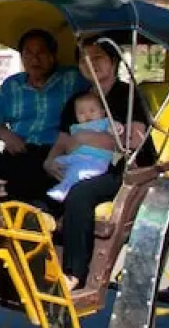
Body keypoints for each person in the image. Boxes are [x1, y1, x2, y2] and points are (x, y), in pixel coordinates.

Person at [48, 37, 154, 290]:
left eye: (98, 58)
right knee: (28, 185)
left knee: (80, 195)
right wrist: (50, 161)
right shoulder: (79, 100)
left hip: (125, 169)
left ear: (113, 61)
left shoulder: (128, 95)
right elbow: (63, 140)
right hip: (80, 164)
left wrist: (85, 137)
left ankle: (75, 272)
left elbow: (132, 140)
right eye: (84, 59)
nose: (90, 64)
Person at [0, 29, 83, 201]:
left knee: (28, 183)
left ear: (53, 55)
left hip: (55, 152)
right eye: (28, 53)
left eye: (41, 53)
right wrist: (7, 135)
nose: (34, 59)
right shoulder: (12, 85)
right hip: (19, 149)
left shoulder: (73, 78)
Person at [44, 92, 115, 201]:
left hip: (95, 159)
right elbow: (65, 141)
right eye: (81, 113)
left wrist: (116, 128)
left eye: (92, 111)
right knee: (58, 163)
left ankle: (63, 191)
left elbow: (115, 131)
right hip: (77, 157)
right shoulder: (76, 127)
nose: (87, 115)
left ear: (103, 112)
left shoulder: (105, 122)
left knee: (78, 173)